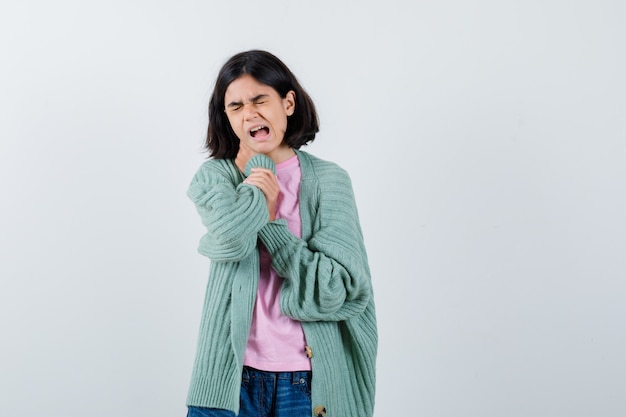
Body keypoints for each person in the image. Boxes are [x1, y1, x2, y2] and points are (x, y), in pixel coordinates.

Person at [185, 50, 377, 417]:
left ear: (287, 103)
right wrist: (256, 180)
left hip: (307, 383)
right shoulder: (215, 178)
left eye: (260, 100)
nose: (249, 114)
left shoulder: (329, 181)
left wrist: (273, 226)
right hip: (228, 380)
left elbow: (338, 288)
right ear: (226, 118)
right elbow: (231, 240)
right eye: (236, 106)